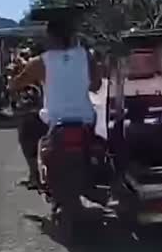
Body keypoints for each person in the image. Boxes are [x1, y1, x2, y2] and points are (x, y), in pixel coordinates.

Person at [9, 19, 102, 188]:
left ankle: (34, 175)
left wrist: (15, 80)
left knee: (27, 129)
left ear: (51, 37)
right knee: (94, 142)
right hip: (86, 119)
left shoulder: (40, 62)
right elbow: (96, 85)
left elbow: (15, 85)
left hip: (54, 121)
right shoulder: (86, 56)